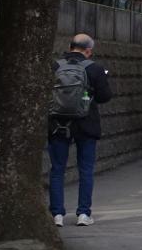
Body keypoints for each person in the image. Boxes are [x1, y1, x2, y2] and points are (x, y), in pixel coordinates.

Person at [48, 33, 113, 227]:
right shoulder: (95, 69)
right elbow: (104, 97)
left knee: (57, 169)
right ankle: (83, 214)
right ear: (89, 51)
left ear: (70, 47)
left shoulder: (55, 66)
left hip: (58, 123)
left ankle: (57, 214)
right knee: (85, 170)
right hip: (86, 123)